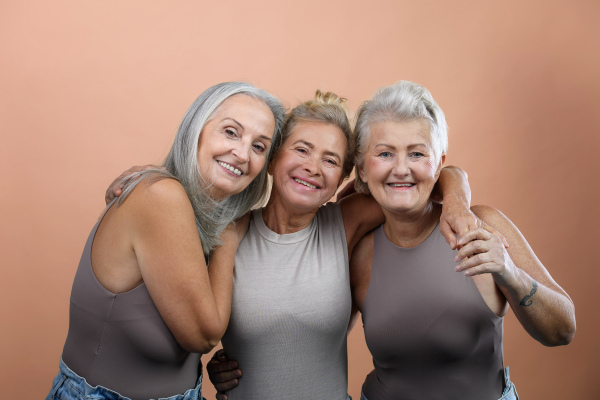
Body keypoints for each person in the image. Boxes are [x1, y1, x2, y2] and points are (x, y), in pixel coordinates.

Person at [201, 90, 494, 400]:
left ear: (341, 180)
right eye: (302, 150)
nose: (313, 167)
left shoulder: (345, 222)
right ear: (273, 158)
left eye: (330, 160)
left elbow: (431, 176)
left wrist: (457, 203)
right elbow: (201, 332)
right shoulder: (230, 234)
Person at [46, 82, 286, 400]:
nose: (242, 154)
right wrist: (229, 235)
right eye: (231, 132)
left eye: (259, 147)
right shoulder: (162, 197)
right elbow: (203, 336)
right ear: (196, 130)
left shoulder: (196, 214)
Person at [349, 81, 576, 399]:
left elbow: (563, 330)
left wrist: (509, 271)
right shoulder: (358, 251)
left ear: (439, 163)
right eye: (385, 153)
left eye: (417, 153)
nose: (401, 169)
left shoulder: (483, 226)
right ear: (361, 168)